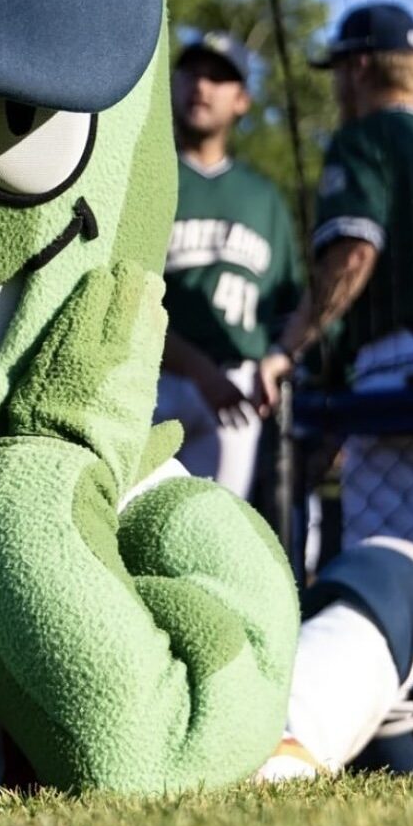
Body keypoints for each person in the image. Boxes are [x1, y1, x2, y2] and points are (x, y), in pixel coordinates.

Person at [255, 2, 413, 606]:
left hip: (404, 373)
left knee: (379, 568)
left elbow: (351, 254)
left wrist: (285, 349)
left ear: (361, 65)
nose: (338, 84)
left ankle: (393, 698)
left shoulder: (367, 136)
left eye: (339, 69)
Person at [157, 32, 300, 498]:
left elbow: (290, 303)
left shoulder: (264, 198)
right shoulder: (149, 176)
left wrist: (280, 359)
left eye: (218, 78)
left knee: (217, 529)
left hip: (237, 392)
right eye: (193, 72)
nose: (202, 86)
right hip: (152, 377)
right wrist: (200, 370)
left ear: (242, 100)